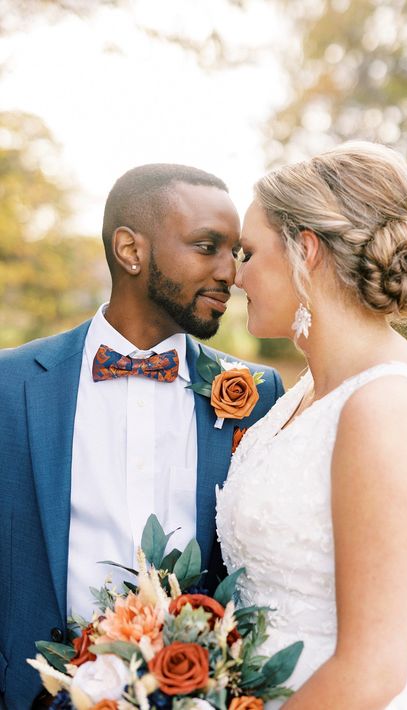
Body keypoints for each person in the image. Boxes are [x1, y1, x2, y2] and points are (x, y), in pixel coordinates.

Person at [0, 164, 285, 709]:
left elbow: (304, 528)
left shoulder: (257, 393)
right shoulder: (10, 386)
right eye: (208, 247)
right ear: (130, 250)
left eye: (237, 253)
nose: (232, 273)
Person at [216, 142, 407, 708]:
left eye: (249, 253)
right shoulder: (308, 391)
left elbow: (373, 671)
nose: (236, 276)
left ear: (304, 251)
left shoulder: (387, 409)